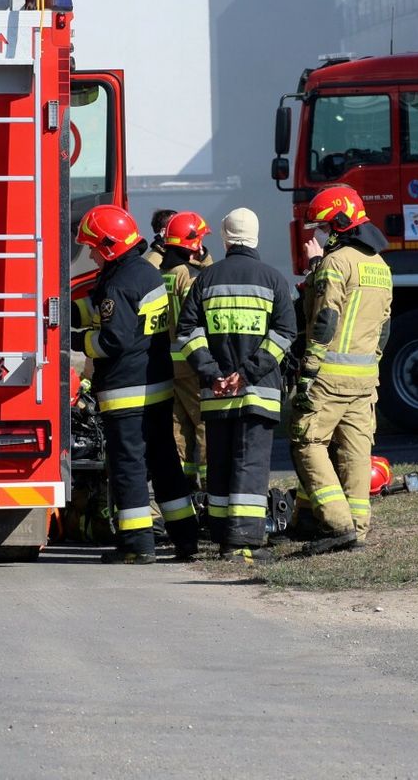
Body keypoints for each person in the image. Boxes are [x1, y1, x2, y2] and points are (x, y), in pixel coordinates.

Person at [74, 204, 200, 564]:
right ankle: (186, 539)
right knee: (164, 463)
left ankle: (137, 544)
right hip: (156, 384)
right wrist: (71, 309)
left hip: (125, 391)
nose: (93, 255)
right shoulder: (144, 272)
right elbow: (106, 306)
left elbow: (112, 340)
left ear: (110, 245)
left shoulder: (120, 281)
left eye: (95, 248)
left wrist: (76, 340)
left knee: (128, 466)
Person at [175, 207, 296, 563]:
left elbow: (188, 333)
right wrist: (247, 374)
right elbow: (286, 333)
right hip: (258, 392)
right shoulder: (273, 280)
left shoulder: (206, 280)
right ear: (255, 237)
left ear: (226, 239)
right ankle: (243, 542)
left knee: (221, 465)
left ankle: (220, 534)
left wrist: (214, 373)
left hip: (216, 394)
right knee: (250, 465)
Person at [289, 185, 394, 553]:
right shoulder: (380, 266)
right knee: (356, 452)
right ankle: (358, 529)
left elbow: (324, 320)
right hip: (366, 378)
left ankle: (337, 523)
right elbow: (384, 328)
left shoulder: (336, 262)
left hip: (329, 376)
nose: (320, 234)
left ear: (339, 223)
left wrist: (308, 371)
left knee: (307, 441)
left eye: (323, 226)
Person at [156, 211, 211, 492]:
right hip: (191, 365)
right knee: (205, 426)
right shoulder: (187, 277)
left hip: (167, 366)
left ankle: (181, 488)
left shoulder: (162, 273)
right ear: (193, 243)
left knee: (178, 429)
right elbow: (198, 317)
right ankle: (208, 492)